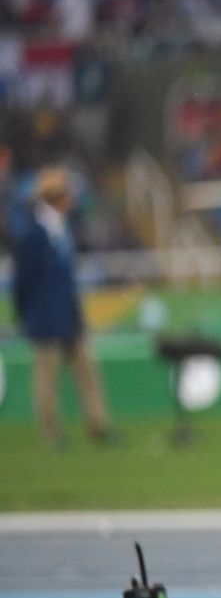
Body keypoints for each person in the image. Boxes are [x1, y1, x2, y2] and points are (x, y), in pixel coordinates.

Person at [9, 167, 113, 446]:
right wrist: (26, 315)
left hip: (69, 317)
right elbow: (23, 282)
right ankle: (51, 433)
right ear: (58, 197)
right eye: (68, 194)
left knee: (87, 372)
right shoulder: (33, 234)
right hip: (45, 319)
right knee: (47, 380)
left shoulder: (62, 229)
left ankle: (99, 425)